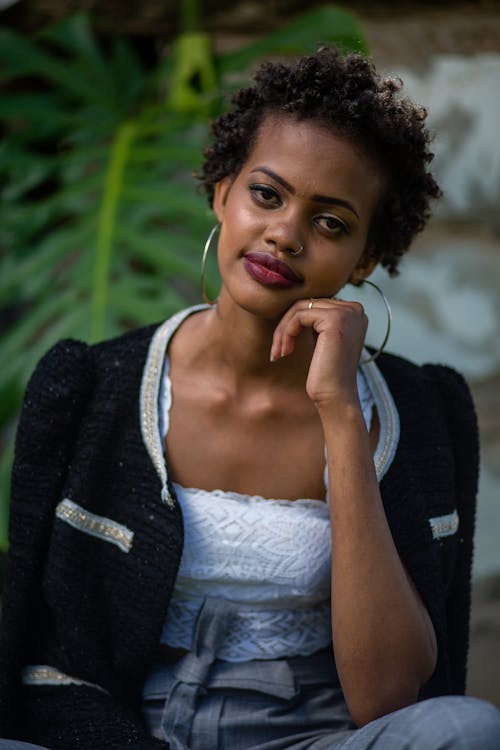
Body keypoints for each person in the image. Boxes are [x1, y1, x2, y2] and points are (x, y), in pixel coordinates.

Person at [0, 46, 499, 750]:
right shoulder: (92, 390)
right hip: (121, 731)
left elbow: (389, 698)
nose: (285, 234)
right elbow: (42, 657)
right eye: (267, 194)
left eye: (331, 223)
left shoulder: (420, 413)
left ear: (363, 258)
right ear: (221, 192)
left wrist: (341, 415)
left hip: (315, 735)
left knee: (469, 729)